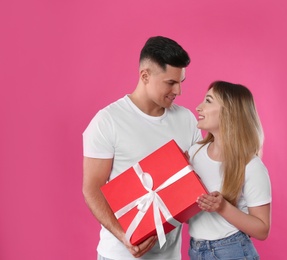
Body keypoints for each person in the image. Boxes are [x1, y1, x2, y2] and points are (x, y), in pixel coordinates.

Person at [82, 36, 202, 260]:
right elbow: (91, 189)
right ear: (145, 76)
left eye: (181, 82)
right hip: (119, 255)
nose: (179, 91)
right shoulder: (108, 121)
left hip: (170, 256)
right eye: (170, 83)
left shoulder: (187, 120)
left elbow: (198, 180)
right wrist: (124, 236)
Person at [187, 81, 272, 260]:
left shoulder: (251, 166)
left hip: (232, 251)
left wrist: (223, 207)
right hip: (196, 250)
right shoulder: (194, 153)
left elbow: (262, 229)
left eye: (208, 101)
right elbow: (190, 215)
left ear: (228, 112)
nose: (198, 107)